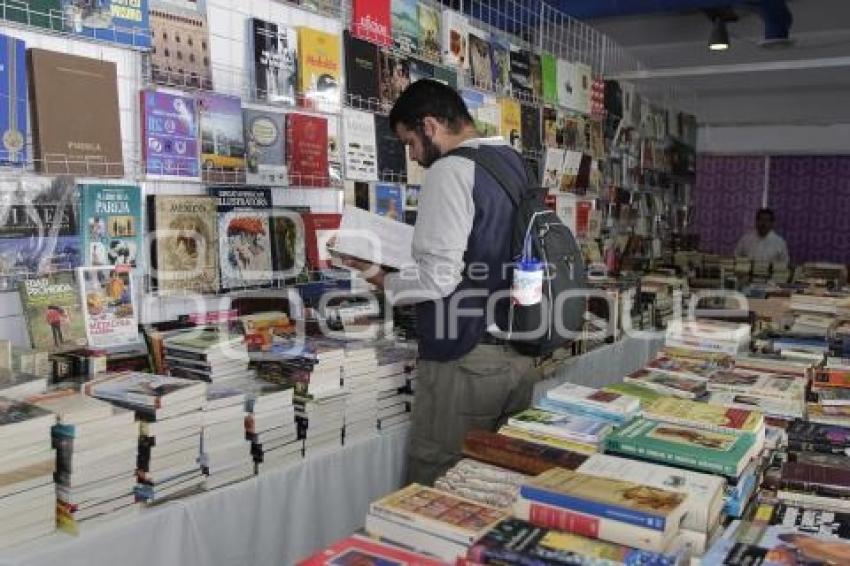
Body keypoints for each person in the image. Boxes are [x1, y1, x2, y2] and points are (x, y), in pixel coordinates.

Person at [338, 80, 539, 486]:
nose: (414, 156)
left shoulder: (451, 171)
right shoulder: (513, 163)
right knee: (493, 485)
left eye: (410, 142)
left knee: (436, 484)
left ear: (430, 126)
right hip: (518, 352)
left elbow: (438, 278)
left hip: (466, 360)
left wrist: (377, 276)